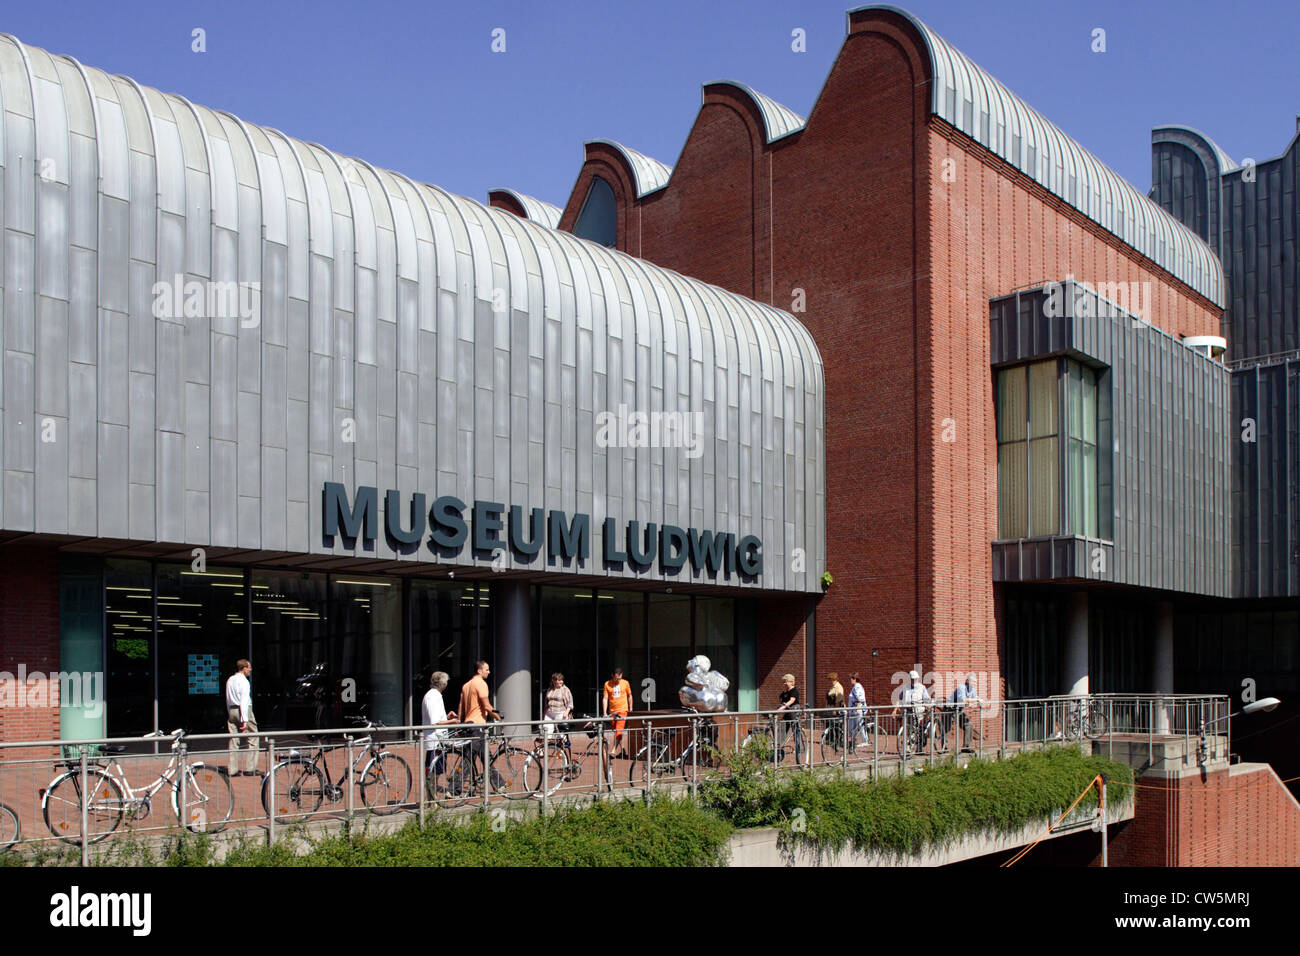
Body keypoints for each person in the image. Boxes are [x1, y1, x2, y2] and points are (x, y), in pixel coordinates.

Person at [458, 660, 500, 771]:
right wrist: (499, 718)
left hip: (468, 724)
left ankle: (499, 785)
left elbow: (461, 708)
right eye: (487, 670)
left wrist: (459, 722)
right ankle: (455, 785)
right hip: (477, 725)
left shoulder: (466, 685)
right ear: (479, 671)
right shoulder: (481, 683)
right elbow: (487, 706)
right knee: (468, 759)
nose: (489, 672)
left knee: (485, 758)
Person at [420, 671, 459, 781]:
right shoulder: (433, 696)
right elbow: (435, 721)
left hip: (437, 738)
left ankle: (432, 794)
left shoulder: (433, 695)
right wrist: (453, 722)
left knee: (436, 767)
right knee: (434, 768)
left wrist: (447, 717)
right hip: (435, 739)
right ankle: (432, 795)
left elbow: (435, 718)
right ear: (443, 684)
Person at [225, 659, 259, 776]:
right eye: (249, 667)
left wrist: (230, 712)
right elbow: (244, 701)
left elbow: (228, 698)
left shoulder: (230, 680)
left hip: (232, 709)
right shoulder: (244, 682)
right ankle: (251, 768)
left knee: (234, 740)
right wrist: (245, 720)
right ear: (243, 668)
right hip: (243, 710)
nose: (250, 670)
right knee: (253, 737)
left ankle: (232, 769)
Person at [892, 669, 932, 754]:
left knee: (919, 729)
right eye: (912, 679)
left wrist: (928, 706)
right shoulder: (905, 687)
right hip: (908, 710)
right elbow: (899, 699)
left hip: (919, 710)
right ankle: (909, 748)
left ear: (917, 678)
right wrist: (895, 710)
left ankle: (919, 748)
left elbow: (927, 699)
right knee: (909, 730)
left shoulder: (922, 687)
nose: (914, 681)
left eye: (915, 679)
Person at [602, 667, 632, 757]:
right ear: (612, 676)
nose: (618, 680)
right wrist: (604, 712)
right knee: (617, 731)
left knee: (619, 731)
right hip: (612, 711)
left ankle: (613, 750)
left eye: (619, 678)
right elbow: (605, 698)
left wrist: (630, 708)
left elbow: (629, 695)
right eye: (616, 678)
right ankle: (623, 750)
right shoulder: (607, 684)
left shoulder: (625, 683)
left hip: (622, 710)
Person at [774, 673, 803, 763]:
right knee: (782, 728)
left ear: (791, 682)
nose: (784, 684)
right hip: (787, 713)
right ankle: (777, 747)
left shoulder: (794, 691)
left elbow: (792, 700)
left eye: (785, 682)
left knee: (796, 730)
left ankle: (799, 748)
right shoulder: (784, 693)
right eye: (784, 682)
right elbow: (781, 702)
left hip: (794, 712)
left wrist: (783, 707)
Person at [949, 672, 981, 751]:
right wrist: (976, 700)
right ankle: (944, 748)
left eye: (975, 682)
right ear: (967, 681)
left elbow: (975, 697)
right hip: (950, 708)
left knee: (968, 725)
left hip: (958, 710)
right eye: (972, 682)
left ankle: (967, 747)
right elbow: (963, 699)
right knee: (946, 728)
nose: (974, 684)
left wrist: (980, 700)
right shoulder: (961, 687)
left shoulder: (972, 689)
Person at [543, 672, 574, 739]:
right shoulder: (550, 689)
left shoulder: (565, 689)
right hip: (549, 713)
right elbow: (546, 702)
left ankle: (561, 748)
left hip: (560, 713)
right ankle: (546, 747)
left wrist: (566, 712)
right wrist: (545, 713)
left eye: (562, 680)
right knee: (546, 731)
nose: (561, 682)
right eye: (559, 680)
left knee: (560, 734)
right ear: (554, 681)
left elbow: (570, 703)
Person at [847, 672, 867, 751]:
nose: (850, 681)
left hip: (857, 710)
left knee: (857, 726)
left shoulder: (857, 687)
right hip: (854, 710)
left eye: (851, 679)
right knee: (856, 726)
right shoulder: (856, 686)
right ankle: (854, 742)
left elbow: (860, 698)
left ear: (854, 679)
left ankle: (864, 740)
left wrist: (858, 708)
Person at [825, 672, 846, 749]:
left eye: (831, 680)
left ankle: (838, 741)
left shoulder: (838, 687)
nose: (830, 681)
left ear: (834, 679)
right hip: (830, 709)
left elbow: (839, 699)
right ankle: (831, 739)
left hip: (837, 710)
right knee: (831, 724)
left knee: (837, 726)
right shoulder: (832, 687)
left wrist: (835, 710)